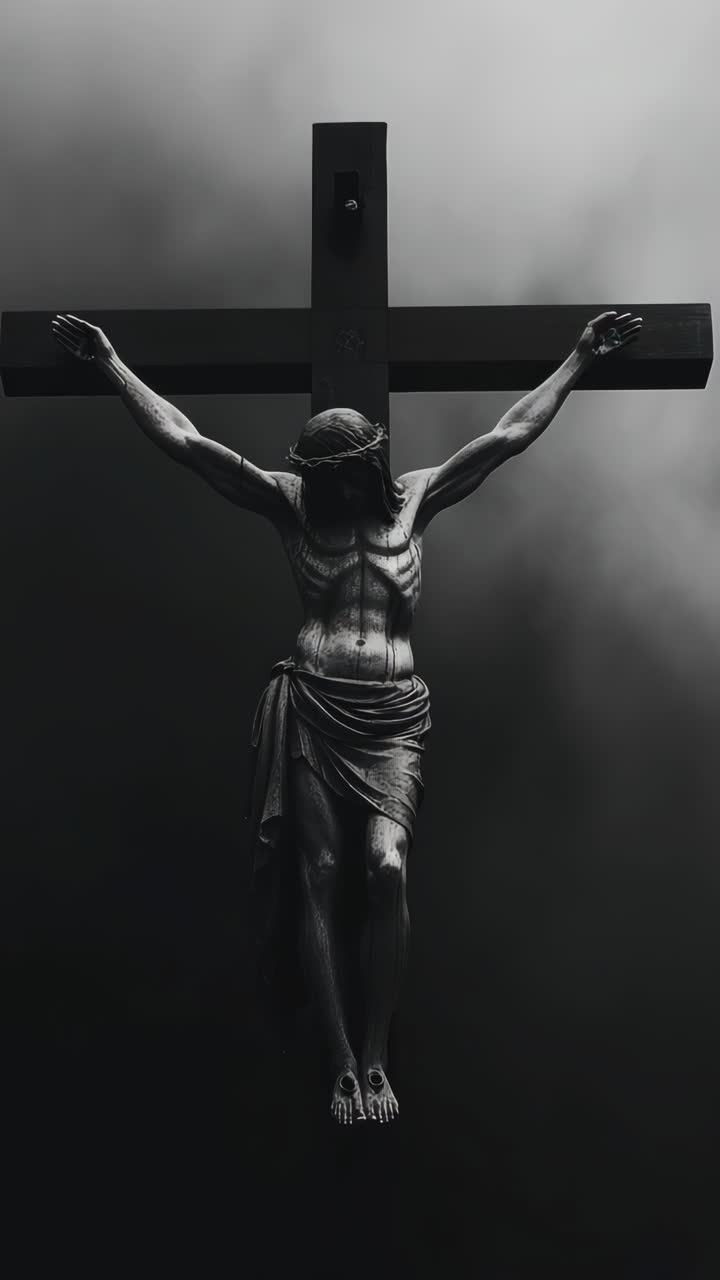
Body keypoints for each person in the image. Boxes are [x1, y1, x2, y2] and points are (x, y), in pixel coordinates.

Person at [51, 308, 642, 1125]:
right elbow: (190, 445)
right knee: (321, 878)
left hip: (393, 717)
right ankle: (341, 1066)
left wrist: (578, 358)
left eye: (343, 473)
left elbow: (507, 435)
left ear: (369, 463)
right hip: (316, 707)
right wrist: (113, 366)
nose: (332, 487)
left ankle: (376, 1053)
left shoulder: (414, 501)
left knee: (387, 866)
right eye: (320, 475)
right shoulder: (294, 506)